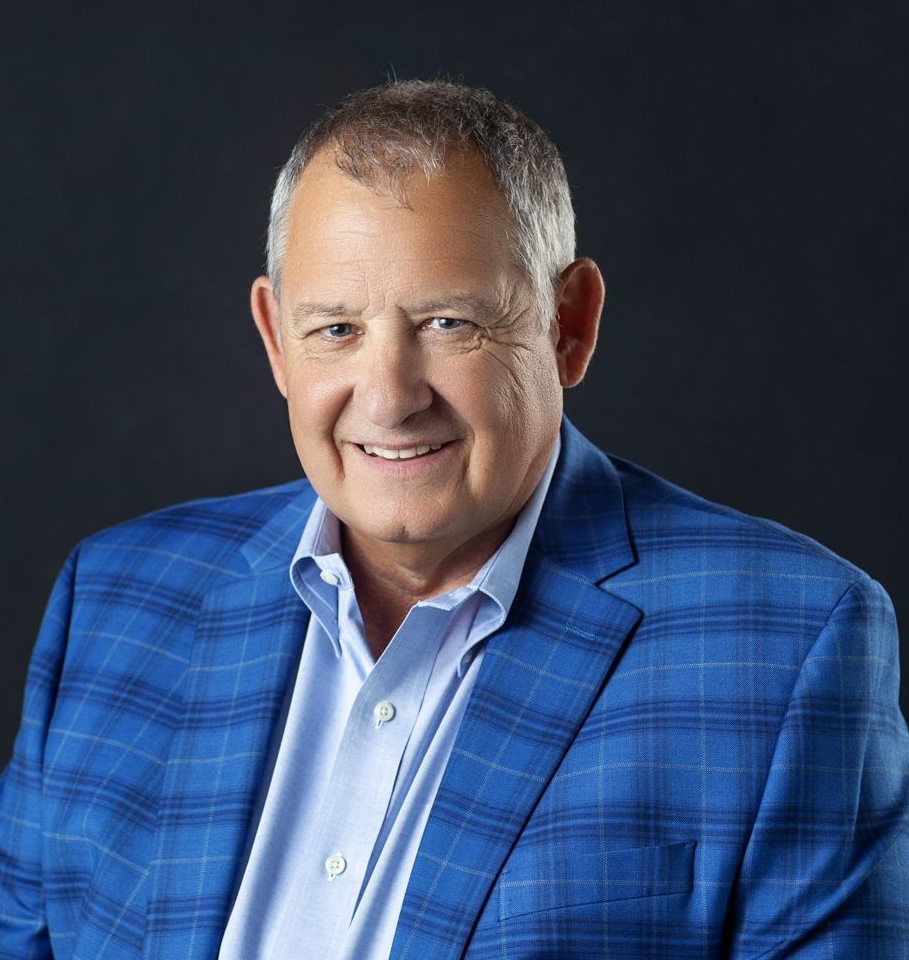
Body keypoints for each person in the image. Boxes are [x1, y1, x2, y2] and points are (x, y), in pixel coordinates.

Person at [1, 79, 907, 960]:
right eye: (336, 330)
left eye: (446, 322)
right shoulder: (113, 601)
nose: (389, 399)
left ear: (568, 325)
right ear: (276, 341)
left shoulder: (786, 645)